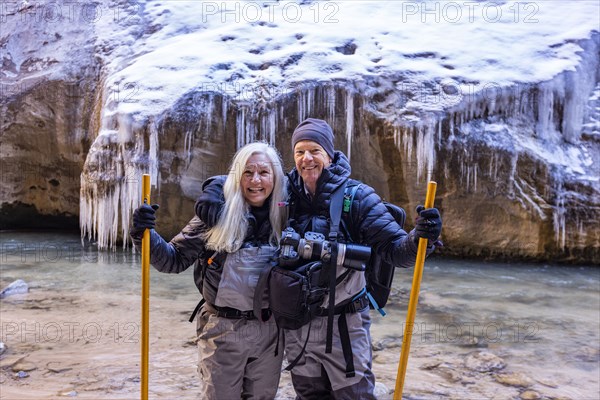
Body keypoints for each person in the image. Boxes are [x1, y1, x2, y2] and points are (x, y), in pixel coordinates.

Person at [284, 118, 443, 399]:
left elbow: (397, 251)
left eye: (314, 150)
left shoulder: (358, 198)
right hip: (299, 326)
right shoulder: (281, 194)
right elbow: (247, 187)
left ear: (330, 156)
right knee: (308, 394)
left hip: (345, 326)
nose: (306, 158)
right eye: (299, 152)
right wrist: (214, 192)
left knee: (354, 394)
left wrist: (421, 238)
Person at [130, 142, 288, 400]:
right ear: (237, 177)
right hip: (222, 331)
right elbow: (173, 260)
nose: (255, 180)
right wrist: (143, 233)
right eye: (247, 172)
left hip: (269, 332)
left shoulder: (286, 216)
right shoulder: (215, 215)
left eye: (263, 172)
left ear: (276, 177)